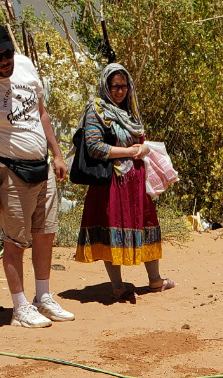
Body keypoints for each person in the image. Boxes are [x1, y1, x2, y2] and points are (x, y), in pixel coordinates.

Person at [0, 21, 75, 328]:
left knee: (45, 233)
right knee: (15, 241)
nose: (5, 61)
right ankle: (20, 307)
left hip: (42, 166)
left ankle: (43, 297)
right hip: (9, 172)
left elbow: (41, 112)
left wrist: (57, 153)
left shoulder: (25, 66)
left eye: (8, 53)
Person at [75, 63, 176, 300]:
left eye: (124, 86)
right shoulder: (96, 111)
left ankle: (155, 280)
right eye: (115, 86)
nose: (120, 91)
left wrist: (141, 147)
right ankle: (118, 285)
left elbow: (137, 138)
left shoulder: (130, 111)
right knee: (112, 229)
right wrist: (130, 152)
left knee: (148, 224)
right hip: (111, 183)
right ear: (105, 87)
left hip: (136, 181)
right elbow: (94, 147)